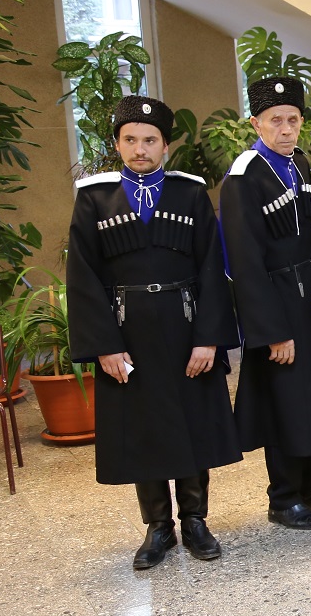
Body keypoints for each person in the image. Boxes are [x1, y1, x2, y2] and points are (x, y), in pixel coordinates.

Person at [66, 96, 241, 569]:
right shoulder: (95, 198)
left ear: (165, 145)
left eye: (149, 140)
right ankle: (158, 526)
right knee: (143, 428)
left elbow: (212, 269)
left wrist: (208, 337)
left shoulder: (190, 194)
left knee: (193, 423)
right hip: (128, 333)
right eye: (130, 140)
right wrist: (105, 345)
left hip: (186, 327)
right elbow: (82, 277)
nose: (139, 149)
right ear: (117, 144)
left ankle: (196, 521)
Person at [221, 76, 311, 531]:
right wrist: (271, 331)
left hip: (309, 296)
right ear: (256, 123)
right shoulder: (244, 176)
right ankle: (283, 498)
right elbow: (243, 263)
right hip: (278, 302)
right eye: (275, 121)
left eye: (292, 119)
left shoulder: (297, 162)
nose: (285, 129)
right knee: (285, 400)